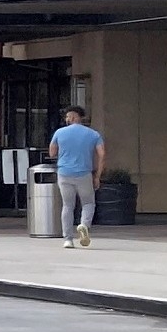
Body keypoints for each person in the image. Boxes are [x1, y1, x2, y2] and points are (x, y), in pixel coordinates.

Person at [47, 105, 105, 248]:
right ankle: (84, 225)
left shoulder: (59, 132)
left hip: (64, 173)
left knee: (67, 206)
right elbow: (102, 155)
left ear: (73, 117)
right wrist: (97, 176)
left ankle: (68, 239)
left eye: (67, 117)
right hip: (84, 174)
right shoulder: (93, 134)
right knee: (88, 203)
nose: (66, 119)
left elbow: (52, 153)